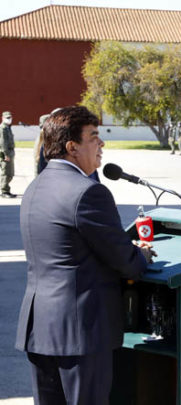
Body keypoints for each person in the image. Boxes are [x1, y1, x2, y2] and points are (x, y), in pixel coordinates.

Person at [15, 106, 156, 405]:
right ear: (72, 147)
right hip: (80, 333)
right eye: (93, 137)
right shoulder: (88, 192)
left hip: (41, 328)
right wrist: (142, 254)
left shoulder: (35, 187)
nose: (101, 143)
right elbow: (125, 261)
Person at [0, 111, 16, 198]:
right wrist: (5, 155)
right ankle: (4, 191)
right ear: (2, 118)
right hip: (4, 152)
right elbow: (3, 143)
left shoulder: (7, 127)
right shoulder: (3, 128)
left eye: (10, 117)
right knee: (6, 172)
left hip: (9, 152)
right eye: (7, 118)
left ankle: (6, 189)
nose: (9, 119)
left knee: (10, 173)